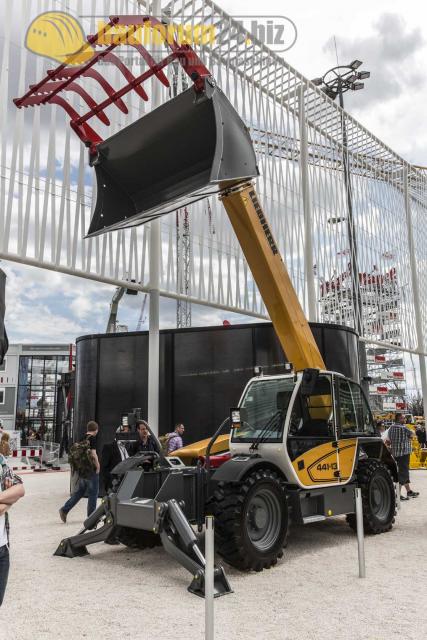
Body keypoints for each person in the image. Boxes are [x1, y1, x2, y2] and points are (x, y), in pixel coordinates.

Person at [59, 421, 100, 522]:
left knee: (80, 492)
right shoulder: (93, 438)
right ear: (96, 430)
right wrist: (98, 465)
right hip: (91, 470)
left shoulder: (82, 438)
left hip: (82, 470)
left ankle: (64, 510)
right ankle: (91, 518)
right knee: (93, 493)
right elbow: (93, 454)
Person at [0, 451, 25, 607]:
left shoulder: (1, 463)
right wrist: (8, 499)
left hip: (2, 550)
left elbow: (20, 490)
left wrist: (8, 502)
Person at [386, 413, 419, 501]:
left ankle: (409, 491)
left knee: (402, 472)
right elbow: (413, 434)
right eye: (403, 418)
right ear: (399, 419)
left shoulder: (391, 428)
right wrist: (412, 433)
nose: (405, 420)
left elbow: (388, 440)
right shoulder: (404, 428)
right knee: (403, 473)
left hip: (395, 453)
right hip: (404, 453)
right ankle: (397, 495)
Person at [101, 426, 130, 493]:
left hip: (127, 484)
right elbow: (104, 468)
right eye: (124, 434)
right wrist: (112, 481)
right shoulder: (109, 447)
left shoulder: (128, 447)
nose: (127, 437)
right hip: (114, 484)